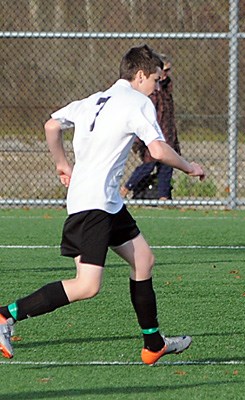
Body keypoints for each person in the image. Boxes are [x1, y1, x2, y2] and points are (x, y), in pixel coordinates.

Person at [0, 44, 205, 365]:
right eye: (155, 80)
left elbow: (51, 125)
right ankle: (5, 315)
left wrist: (61, 164)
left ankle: (153, 344)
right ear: (140, 76)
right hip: (94, 205)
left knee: (144, 261)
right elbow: (159, 151)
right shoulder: (138, 102)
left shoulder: (93, 99)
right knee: (87, 285)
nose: (157, 87)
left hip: (105, 202)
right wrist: (190, 166)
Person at [121, 55, 181, 200]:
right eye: (163, 71)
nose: (165, 75)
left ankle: (163, 198)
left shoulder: (165, 90)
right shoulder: (149, 93)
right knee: (148, 165)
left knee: (166, 167)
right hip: (152, 136)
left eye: (167, 71)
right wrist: (138, 141)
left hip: (167, 136)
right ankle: (126, 188)